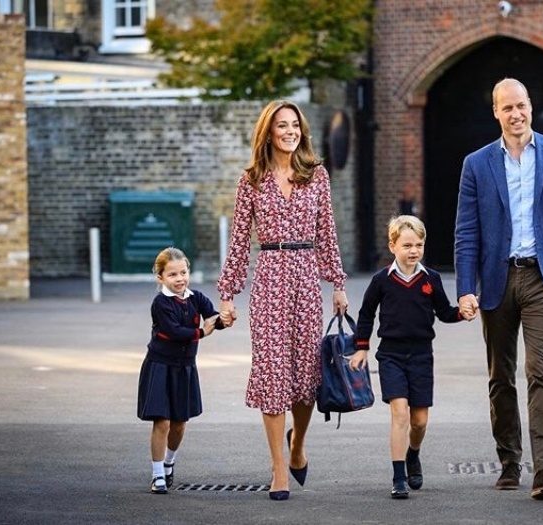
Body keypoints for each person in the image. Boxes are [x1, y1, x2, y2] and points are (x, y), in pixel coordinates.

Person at [454, 78, 543, 500]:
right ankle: (510, 460)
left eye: (521, 106)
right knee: (501, 378)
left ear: (530, 106)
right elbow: (466, 232)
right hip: (496, 281)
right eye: (507, 108)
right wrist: (465, 288)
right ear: (495, 113)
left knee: (542, 372)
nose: (516, 114)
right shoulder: (476, 164)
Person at [216, 100, 349, 501]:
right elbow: (239, 241)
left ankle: (297, 446)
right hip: (270, 276)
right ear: (268, 133)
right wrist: (228, 294)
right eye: (282, 126)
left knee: (306, 377)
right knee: (273, 373)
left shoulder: (317, 175)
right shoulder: (251, 180)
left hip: (307, 275)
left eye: (295, 125)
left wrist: (337, 283)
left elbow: (327, 233)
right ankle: (278, 468)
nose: (290, 131)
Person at [350, 215, 464, 500]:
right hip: (391, 354)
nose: (413, 251)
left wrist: (463, 312)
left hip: (422, 355)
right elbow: (366, 314)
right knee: (399, 412)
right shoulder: (381, 281)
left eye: (419, 245)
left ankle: (413, 454)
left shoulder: (431, 279)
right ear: (392, 246)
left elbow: (445, 312)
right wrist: (361, 346)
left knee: (420, 421)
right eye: (407, 245)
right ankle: (398, 476)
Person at [137, 247, 225, 494]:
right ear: (161, 278)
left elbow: (213, 316)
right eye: (173, 274)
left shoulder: (196, 297)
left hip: (185, 368)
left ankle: (168, 463)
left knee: (179, 423)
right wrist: (201, 332)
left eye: (183, 272)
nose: (180, 279)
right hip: (160, 365)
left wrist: (223, 320)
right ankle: (157, 476)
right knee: (162, 421)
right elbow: (173, 332)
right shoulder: (160, 304)